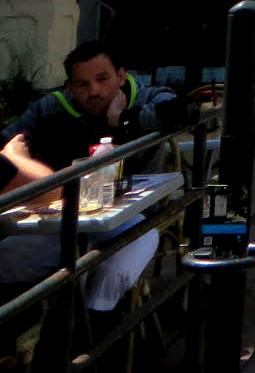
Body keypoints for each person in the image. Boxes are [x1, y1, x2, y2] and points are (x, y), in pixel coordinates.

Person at [0, 41, 183, 308]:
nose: (93, 91)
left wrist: (120, 121)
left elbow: (178, 112)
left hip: (133, 217)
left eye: (102, 79)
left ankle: (97, 333)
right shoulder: (50, 108)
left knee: (113, 272)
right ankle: (43, 327)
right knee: (7, 260)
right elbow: (8, 142)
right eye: (82, 84)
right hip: (64, 218)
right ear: (70, 86)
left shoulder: (146, 97)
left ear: (121, 76)